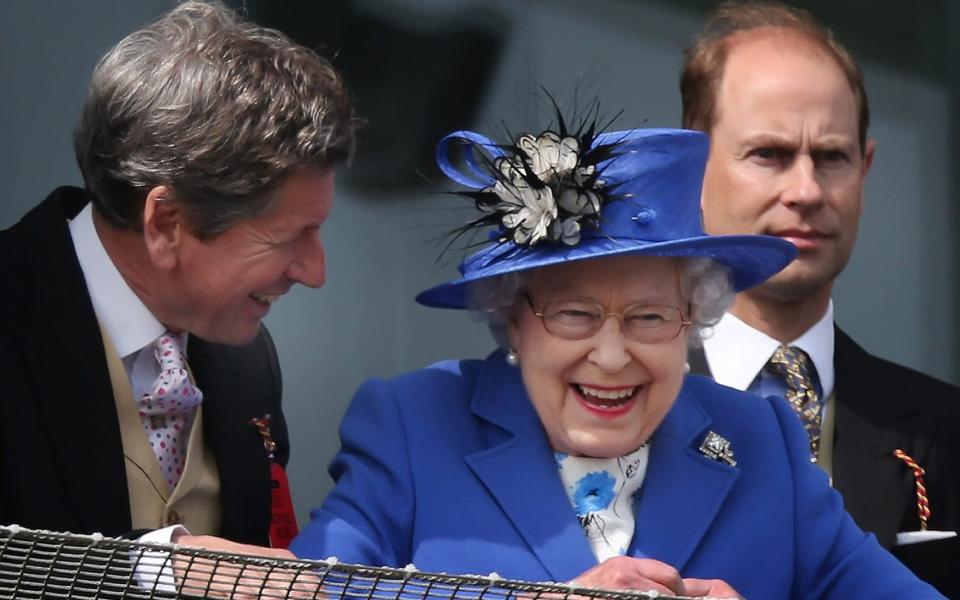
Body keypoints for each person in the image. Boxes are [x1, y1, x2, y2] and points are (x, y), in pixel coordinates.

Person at [289, 118, 943, 597]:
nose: (610, 355)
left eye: (649, 317)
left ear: (693, 320)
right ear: (513, 319)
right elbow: (301, 591)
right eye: (574, 314)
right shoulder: (414, 425)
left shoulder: (758, 441)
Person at [0, 0, 356, 554]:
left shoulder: (248, 360)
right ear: (167, 222)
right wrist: (161, 566)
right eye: (288, 237)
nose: (316, 272)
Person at [679, 1, 959, 593]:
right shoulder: (606, 405)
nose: (806, 190)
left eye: (832, 157)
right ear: (691, 170)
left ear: (866, 169)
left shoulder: (948, 430)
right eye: (769, 154)